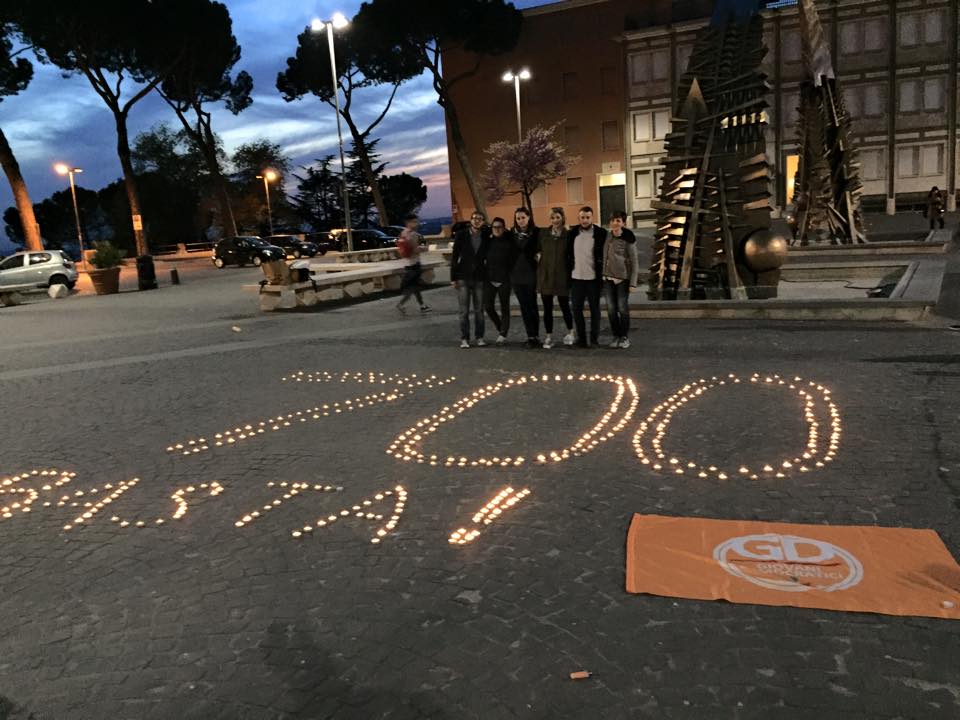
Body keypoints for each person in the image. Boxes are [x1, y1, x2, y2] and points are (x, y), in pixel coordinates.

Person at [566, 206, 607, 347]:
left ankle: (594, 339)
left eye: (587, 217)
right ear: (579, 218)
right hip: (576, 278)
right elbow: (567, 255)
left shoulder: (601, 233)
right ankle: (582, 339)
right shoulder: (572, 234)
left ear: (592, 217)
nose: (585, 220)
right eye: (582, 217)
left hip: (593, 279)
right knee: (576, 310)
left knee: (595, 310)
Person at [537, 207, 575, 349]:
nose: (555, 220)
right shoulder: (544, 234)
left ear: (562, 217)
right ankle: (548, 336)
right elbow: (537, 251)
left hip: (562, 276)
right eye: (552, 218)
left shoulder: (568, 235)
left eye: (557, 217)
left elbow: (571, 256)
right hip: (546, 276)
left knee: (564, 306)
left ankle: (571, 332)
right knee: (547, 308)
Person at [451, 210, 490, 348]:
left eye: (479, 219)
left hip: (479, 277)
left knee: (479, 310)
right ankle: (465, 338)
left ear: (483, 222)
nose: (476, 221)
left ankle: (479, 337)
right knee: (464, 311)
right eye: (474, 218)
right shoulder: (461, 235)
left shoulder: (486, 236)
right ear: (470, 220)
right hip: (463, 277)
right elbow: (455, 256)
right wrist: (453, 277)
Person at [602, 211, 639, 349]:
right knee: (611, 310)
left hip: (622, 280)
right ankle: (616, 336)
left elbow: (635, 261)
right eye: (612, 220)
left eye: (618, 220)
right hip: (607, 279)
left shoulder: (628, 239)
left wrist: (633, 283)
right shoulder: (607, 236)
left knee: (622, 309)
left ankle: (624, 337)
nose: (614, 223)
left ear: (623, 223)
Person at [511, 207, 540, 348]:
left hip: (531, 275)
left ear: (528, 217)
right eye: (518, 218)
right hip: (516, 276)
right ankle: (530, 336)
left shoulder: (536, 232)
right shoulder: (512, 234)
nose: (521, 220)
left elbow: (541, 249)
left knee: (532, 306)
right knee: (524, 307)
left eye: (523, 217)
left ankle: (536, 336)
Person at [483, 217, 515, 344]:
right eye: (494, 227)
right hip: (490, 279)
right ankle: (500, 327)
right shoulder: (488, 242)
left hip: (504, 280)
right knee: (488, 306)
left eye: (500, 227)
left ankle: (503, 333)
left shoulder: (508, 242)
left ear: (503, 228)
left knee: (504, 307)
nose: (497, 229)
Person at [395, 213, 431, 314]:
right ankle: (401, 304)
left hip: (407, 264)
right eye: (414, 222)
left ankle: (422, 306)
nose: (417, 223)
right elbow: (415, 250)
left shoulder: (403, 233)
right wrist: (425, 248)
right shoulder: (414, 234)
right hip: (414, 264)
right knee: (413, 287)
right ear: (408, 222)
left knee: (415, 287)